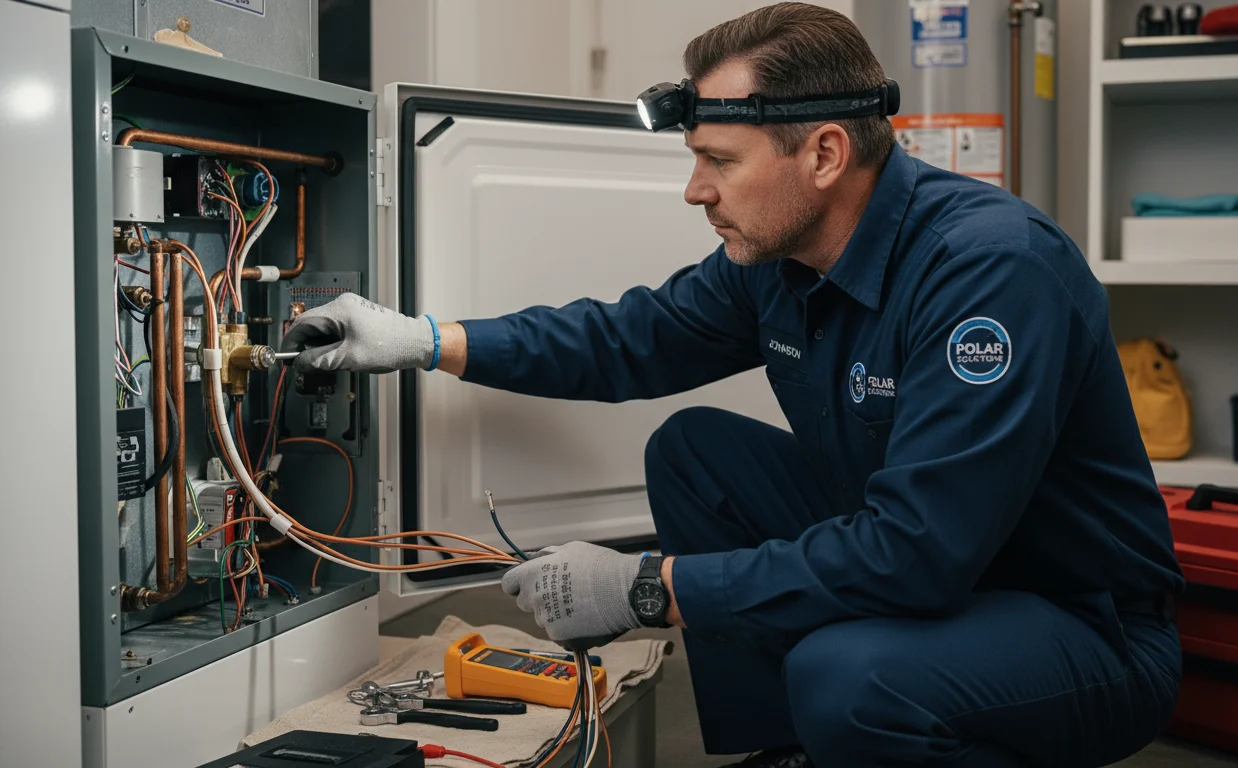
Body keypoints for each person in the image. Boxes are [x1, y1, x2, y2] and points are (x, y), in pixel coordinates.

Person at [281, 4, 1184, 766]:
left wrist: (645, 588)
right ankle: (787, 748)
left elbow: (916, 554)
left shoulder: (989, 270)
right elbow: (627, 339)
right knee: (695, 453)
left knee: (845, 677)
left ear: (824, 154)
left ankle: (868, 722)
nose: (693, 190)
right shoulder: (779, 256)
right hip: (948, 563)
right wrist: (422, 339)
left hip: (1079, 624)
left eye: (719, 161)